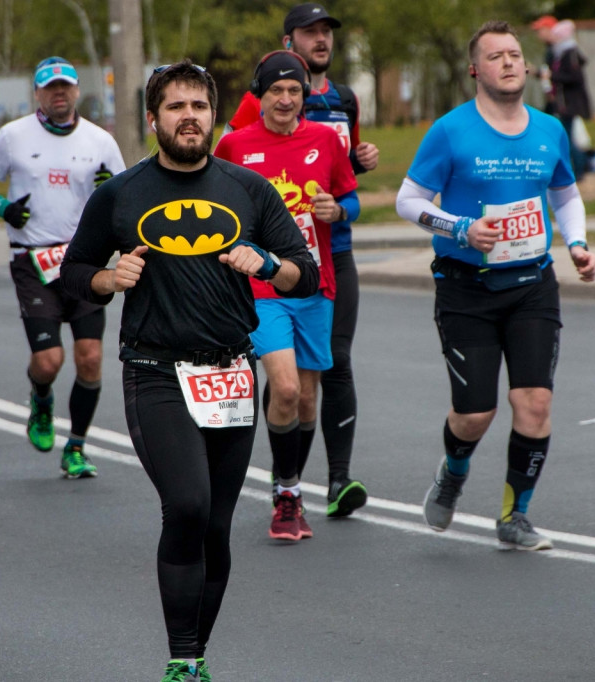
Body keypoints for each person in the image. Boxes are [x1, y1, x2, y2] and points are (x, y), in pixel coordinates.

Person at [60, 60, 318, 682]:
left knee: (218, 525)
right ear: (154, 120)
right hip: (154, 370)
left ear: (213, 115)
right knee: (188, 503)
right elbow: (74, 274)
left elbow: (302, 273)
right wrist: (106, 277)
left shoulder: (247, 190)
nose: (189, 117)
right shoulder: (120, 195)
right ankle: (181, 659)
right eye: (175, 107)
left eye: (199, 106)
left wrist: (266, 266)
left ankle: (194, 657)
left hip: (230, 373)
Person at [395, 20, 595, 551]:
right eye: (495, 56)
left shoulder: (549, 129)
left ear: (526, 66)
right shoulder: (450, 130)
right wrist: (459, 228)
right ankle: (453, 473)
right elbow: (408, 201)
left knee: (533, 403)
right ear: (474, 70)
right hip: (466, 288)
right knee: (474, 413)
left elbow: (565, 195)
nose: (508, 62)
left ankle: (515, 516)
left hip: (533, 283)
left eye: (514, 54)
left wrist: (576, 242)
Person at [225, 2, 377, 518]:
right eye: (276, 91)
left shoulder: (327, 135)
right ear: (260, 95)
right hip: (263, 284)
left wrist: (339, 207)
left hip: (318, 277)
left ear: (305, 93)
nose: (286, 98)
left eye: (294, 90)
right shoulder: (236, 144)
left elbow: (350, 197)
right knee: (284, 386)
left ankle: (303, 480)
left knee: (309, 393)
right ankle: (288, 491)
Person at [0, 57, 125, 479]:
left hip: (83, 260)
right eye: (50, 88)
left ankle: (75, 446)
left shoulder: (100, 140)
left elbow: (125, 193)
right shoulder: (12, 136)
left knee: (91, 358)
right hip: (32, 259)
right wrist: (3, 207)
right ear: (37, 94)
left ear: (77, 91)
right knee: (49, 360)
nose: (59, 94)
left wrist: (108, 192)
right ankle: (41, 398)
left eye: (66, 87)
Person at [541, 19, 595, 181]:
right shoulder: (561, 53)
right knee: (567, 135)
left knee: (566, 137)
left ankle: (583, 166)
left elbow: (573, 77)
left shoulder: (569, 53)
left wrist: (552, 76)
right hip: (565, 104)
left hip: (571, 104)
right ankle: (584, 163)